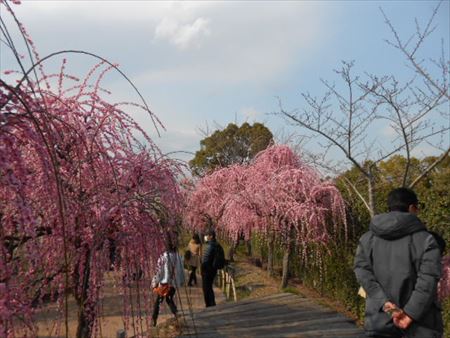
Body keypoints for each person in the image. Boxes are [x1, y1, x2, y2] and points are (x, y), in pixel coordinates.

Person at [354, 187, 443, 338]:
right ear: (411, 208)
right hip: (421, 325)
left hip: (379, 321)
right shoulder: (426, 240)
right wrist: (409, 315)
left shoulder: (367, 239)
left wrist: (388, 307)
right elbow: (428, 280)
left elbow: (363, 274)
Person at [151, 237, 185, 327]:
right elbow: (181, 270)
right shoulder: (178, 256)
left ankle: (154, 319)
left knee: (159, 301)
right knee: (169, 299)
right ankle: (176, 313)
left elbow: (159, 271)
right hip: (173, 283)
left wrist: (154, 282)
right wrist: (181, 281)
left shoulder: (164, 256)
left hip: (164, 283)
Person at [201, 228, 219, 307]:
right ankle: (211, 303)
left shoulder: (210, 246)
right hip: (213, 269)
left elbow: (205, 259)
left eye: (207, 235)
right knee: (209, 286)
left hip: (207, 270)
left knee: (206, 287)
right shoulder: (216, 244)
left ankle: (209, 304)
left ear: (211, 236)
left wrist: (202, 269)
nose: (205, 236)